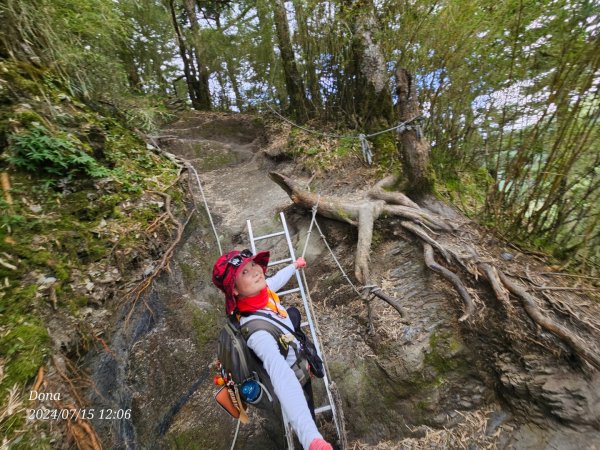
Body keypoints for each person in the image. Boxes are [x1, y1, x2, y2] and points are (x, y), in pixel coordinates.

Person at [212, 249, 333, 450]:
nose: (255, 271)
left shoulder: (262, 292)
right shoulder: (258, 335)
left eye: (252, 264)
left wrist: (294, 266)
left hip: (286, 341)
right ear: (233, 290)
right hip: (293, 371)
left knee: (292, 313)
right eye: (243, 272)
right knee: (304, 400)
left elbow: (276, 280)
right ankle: (308, 436)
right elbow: (282, 375)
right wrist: (312, 439)